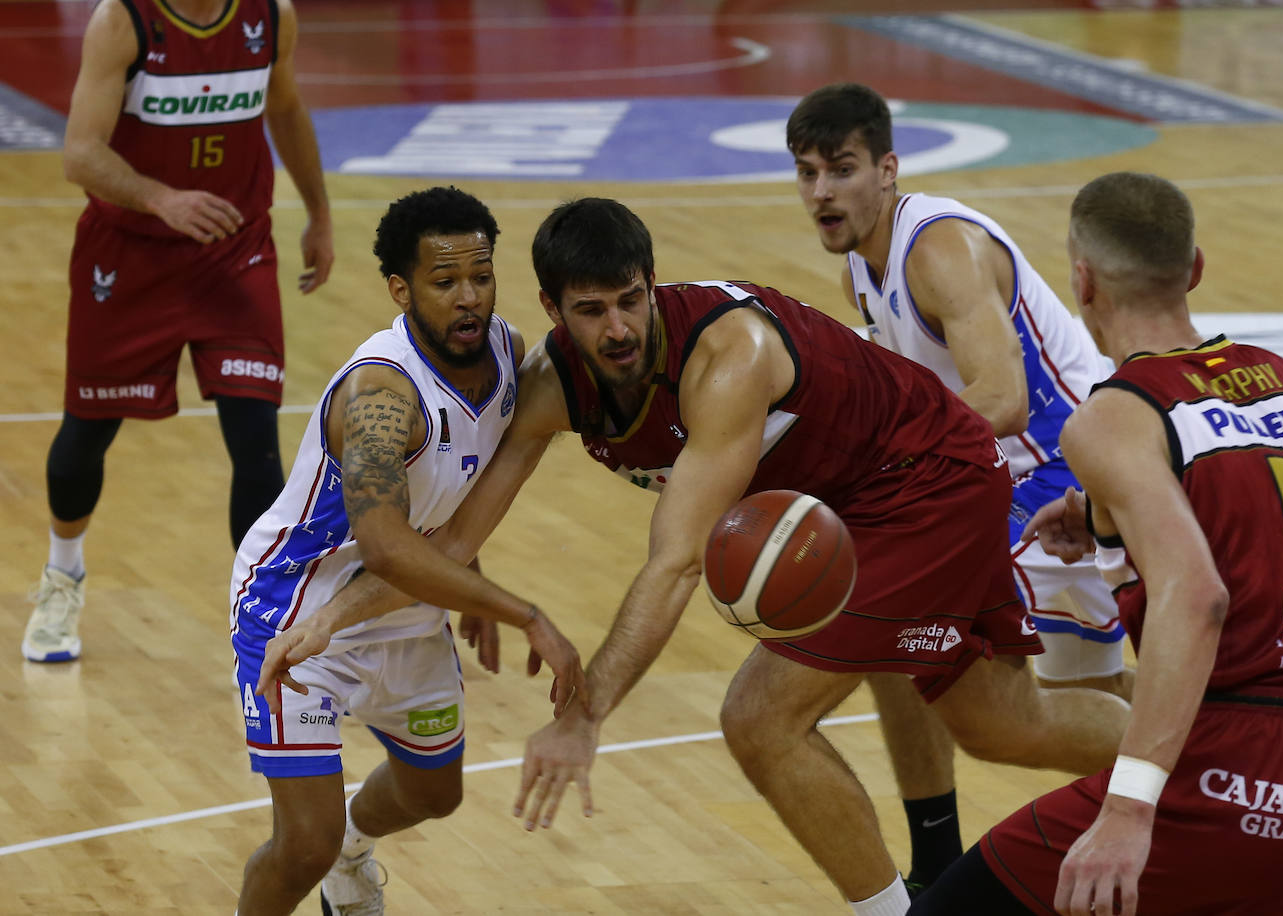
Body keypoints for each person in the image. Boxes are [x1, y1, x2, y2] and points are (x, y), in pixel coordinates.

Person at [265, 197, 1130, 915]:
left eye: (631, 300)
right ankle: (1183, 758)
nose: (617, 328)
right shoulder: (552, 383)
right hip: (854, 503)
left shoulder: (729, 355)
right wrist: (327, 618)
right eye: (592, 310)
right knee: (1004, 724)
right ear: (555, 310)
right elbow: (454, 541)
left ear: (653, 284)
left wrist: (583, 714)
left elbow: (676, 562)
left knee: (760, 720)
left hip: (926, 484)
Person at [911, 172, 1283, 916]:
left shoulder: (1112, 418)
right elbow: (1260, 520)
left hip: (1235, 778)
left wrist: (1129, 808)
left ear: (1083, 281)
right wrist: (1101, 510)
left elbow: (1198, 595)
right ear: (1195, 269)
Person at [786, 82, 1131, 890]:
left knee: (956, 676)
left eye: (841, 169)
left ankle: (1212, 769)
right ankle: (1220, 760)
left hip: (1067, 468)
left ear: (888, 169)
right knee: (1085, 692)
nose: (823, 192)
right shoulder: (861, 270)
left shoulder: (937, 249)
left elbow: (1003, 399)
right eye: (807, 173)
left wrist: (879, 469)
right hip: (1009, 472)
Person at [231, 187, 585, 916]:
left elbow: (453, 481)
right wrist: (524, 614)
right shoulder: (381, 396)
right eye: (444, 281)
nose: (469, 298)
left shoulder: (506, 352)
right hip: (298, 607)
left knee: (434, 792)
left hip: (406, 602)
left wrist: (466, 572)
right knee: (304, 844)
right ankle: (327, 856)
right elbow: (389, 548)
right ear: (401, 289)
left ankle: (353, 854)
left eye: (481, 276)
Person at [23, 0, 334, 664]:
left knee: (256, 440)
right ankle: (62, 575)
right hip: (129, 252)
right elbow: (80, 153)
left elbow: (284, 109)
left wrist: (319, 212)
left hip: (233, 248)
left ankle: (262, 623)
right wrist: (161, 198)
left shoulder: (269, 15)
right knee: (86, 433)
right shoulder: (123, 20)